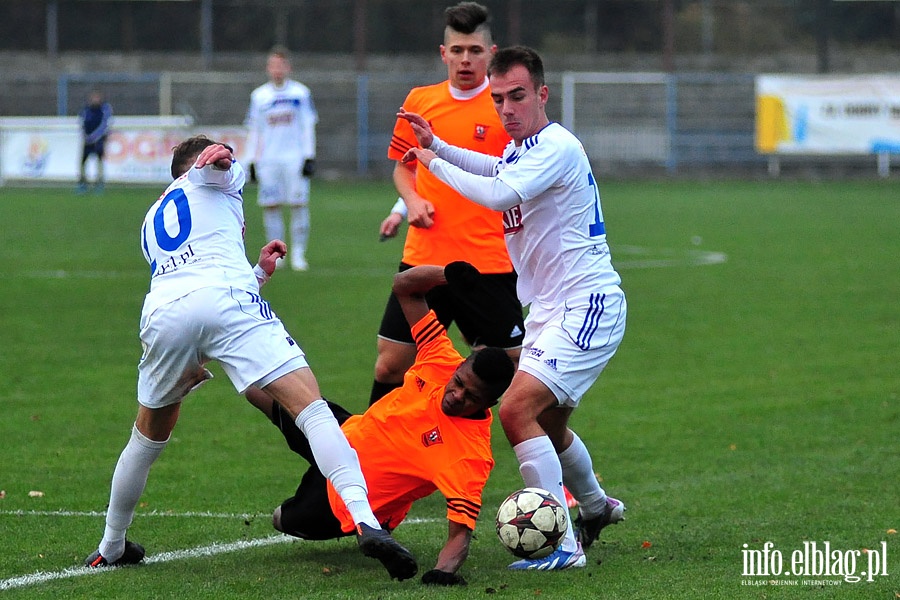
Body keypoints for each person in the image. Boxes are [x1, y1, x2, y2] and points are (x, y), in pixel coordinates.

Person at [84, 135, 417, 581]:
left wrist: (257, 273)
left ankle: (111, 545)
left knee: (146, 439)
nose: (234, 162)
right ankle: (366, 522)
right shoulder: (215, 175)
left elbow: (200, 269)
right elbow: (215, 164)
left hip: (166, 313)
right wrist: (218, 155)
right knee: (312, 411)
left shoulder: (153, 216)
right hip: (224, 300)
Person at [398, 46, 627, 571]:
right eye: (498, 98)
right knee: (548, 422)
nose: (506, 108)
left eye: (517, 96)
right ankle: (595, 507)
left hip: (585, 302)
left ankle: (564, 547)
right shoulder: (526, 147)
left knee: (516, 410)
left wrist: (432, 162)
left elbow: (499, 193)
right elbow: (496, 165)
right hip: (553, 307)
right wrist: (441, 145)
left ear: (542, 94)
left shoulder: (557, 146)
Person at [246, 261, 515, 586]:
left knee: (280, 520)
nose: (456, 395)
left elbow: (460, 535)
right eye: (458, 382)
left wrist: (441, 574)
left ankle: (375, 526)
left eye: (470, 396)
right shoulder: (441, 358)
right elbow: (404, 286)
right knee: (257, 388)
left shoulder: (470, 456)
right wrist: (446, 275)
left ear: (489, 404)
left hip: (344, 498)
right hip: (339, 431)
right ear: (459, 367)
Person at [371, 1, 525, 406]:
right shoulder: (420, 101)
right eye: (457, 51)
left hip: (488, 263)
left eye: (475, 51)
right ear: (444, 54)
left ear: (492, 54)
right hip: (425, 258)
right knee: (391, 366)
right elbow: (402, 168)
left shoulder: (504, 109)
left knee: (515, 374)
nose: (465, 60)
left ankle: (559, 462)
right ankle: (365, 460)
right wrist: (413, 200)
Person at [244, 46, 318, 271]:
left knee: (298, 204)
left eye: (281, 65)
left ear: (288, 68)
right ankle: (278, 254)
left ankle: (298, 254)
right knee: (271, 206)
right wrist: (251, 161)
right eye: (273, 65)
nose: (277, 69)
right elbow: (254, 129)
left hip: (294, 158)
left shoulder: (300, 93)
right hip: (268, 160)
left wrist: (309, 156)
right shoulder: (259, 96)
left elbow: (308, 125)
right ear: (268, 68)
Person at [76, 90, 112, 194]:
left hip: (98, 141)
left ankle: (99, 183)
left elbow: (105, 125)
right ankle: (82, 183)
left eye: (97, 98)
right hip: (87, 141)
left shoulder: (103, 110)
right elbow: (81, 123)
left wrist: (95, 137)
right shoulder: (86, 110)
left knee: (99, 162)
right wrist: (86, 136)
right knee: (83, 162)